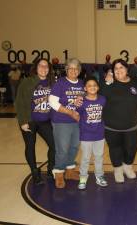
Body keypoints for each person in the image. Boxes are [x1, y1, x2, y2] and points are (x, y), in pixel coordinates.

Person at [15, 58, 55, 185]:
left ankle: (51, 169)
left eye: (46, 66)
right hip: (30, 121)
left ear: (49, 69)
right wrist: (22, 121)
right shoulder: (27, 82)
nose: (44, 68)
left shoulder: (52, 82)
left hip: (45, 120)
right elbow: (19, 102)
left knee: (54, 145)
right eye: (41, 66)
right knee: (30, 146)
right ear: (35, 68)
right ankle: (35, 172)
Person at [102, 59, 137, 183]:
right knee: (115, 149)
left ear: (127, 69)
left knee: (131, 148)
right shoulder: (108, 84)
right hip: (112, 126)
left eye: (121, 67)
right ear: (112, 71)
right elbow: (95, 96)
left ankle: (127, 167)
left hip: (131, 126)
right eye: (116, 68)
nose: (119, 70)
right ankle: (117, 169)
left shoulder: (135, 83)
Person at [49, 58, 84, 189]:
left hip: (77, 121)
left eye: (76, 68)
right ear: (66, 70)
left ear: (79, 71)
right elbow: (52, 102)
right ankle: (59, 172)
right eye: (71, 68)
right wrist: (70, 112)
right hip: (61, 121)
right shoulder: (60, 83)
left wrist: (81, 114)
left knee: (74, 146)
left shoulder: (81, 83)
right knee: (62, 148)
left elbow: (83, 102)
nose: (73, 70)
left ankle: (69, 170)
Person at [77, 76, 107, 189]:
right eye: (89, 86)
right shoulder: (81, 102)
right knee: (85, 158)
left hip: (99, 134)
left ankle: (99, 176)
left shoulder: (103, 99)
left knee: (99, 157)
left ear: (98, 87)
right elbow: (76, 115)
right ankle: (83, 177)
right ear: (85, 88)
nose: (92, 87)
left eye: (94, 85)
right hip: (86, 135)